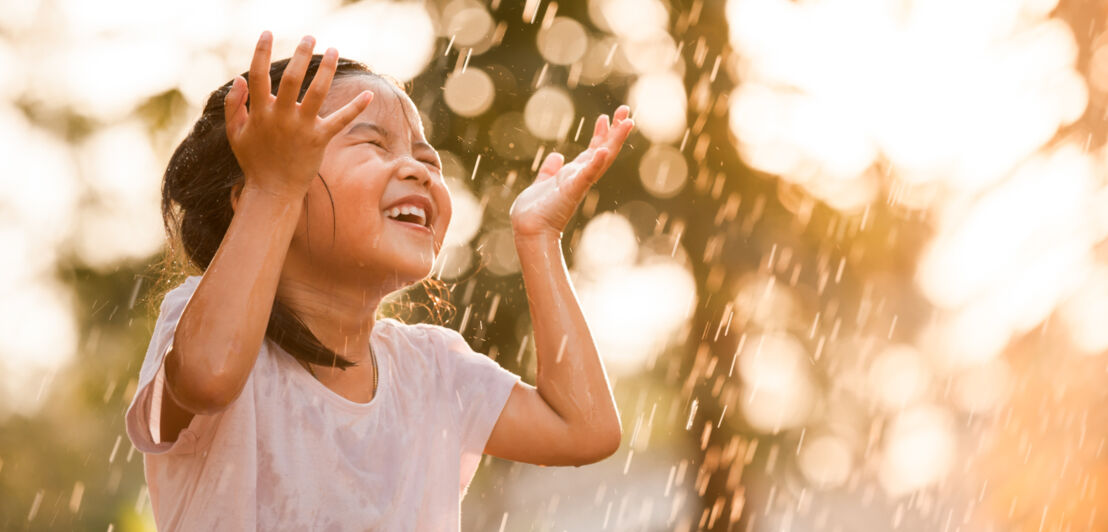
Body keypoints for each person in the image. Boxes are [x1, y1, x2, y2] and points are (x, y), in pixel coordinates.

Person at [124, 31, 634, 530]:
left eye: (426, 157)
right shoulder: (205, 327)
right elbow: (209, 379)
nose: (418, 171)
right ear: (254, 193)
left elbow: (584, 429)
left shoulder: (432, 371)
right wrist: (274, 187)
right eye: (372, 143)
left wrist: (539, 238)